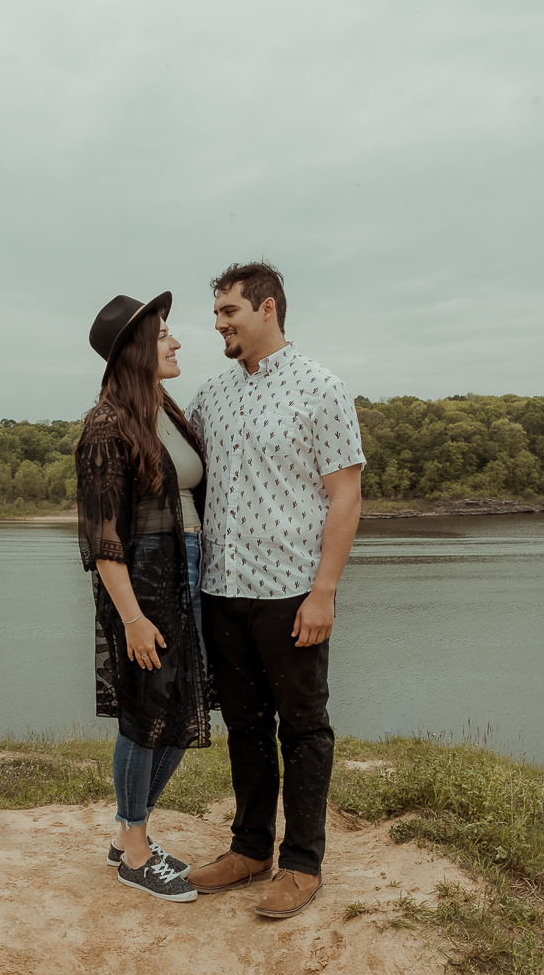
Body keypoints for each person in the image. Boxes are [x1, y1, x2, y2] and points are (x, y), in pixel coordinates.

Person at [184, 262, 365, 919]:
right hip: (222, 590)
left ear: (266, 308)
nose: (218, 324)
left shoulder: (322, 389)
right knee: (245, 726)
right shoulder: (210, 395)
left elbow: (346, 496)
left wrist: (325, 592)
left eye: (228, 311)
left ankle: (303, 863)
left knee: (305, 728)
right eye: (216, 313)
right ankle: (251, 848)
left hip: (292, 592)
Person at [75, 291, 216, 903]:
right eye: (162, 335)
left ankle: (127, 833)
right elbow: (104, 539)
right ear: (135, 350)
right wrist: (131, 618)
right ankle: (135, 852)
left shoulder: (165, 411)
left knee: (183, 707)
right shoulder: (105, 426)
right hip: (145, 581)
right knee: (145, 710)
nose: (176, 341)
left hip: (188, 570)